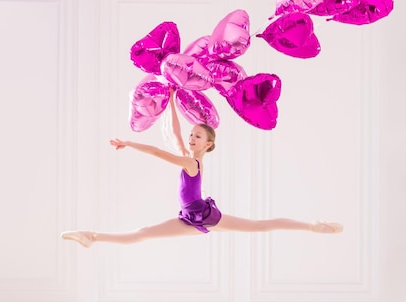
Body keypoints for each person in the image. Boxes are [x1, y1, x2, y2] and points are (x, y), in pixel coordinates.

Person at [61, 89, 343, 248]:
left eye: (198, 136)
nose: (192, 137)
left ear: (208, 145)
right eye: (192, 134)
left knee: (260, 226)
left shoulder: (191, 161)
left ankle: (314, 226)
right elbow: (173, 132)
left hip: (204, 216)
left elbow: (159, 151)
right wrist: (171, 100)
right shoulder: (190, 156)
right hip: (191, 218)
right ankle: (91, 236)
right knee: (144, 233)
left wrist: (130, 143)